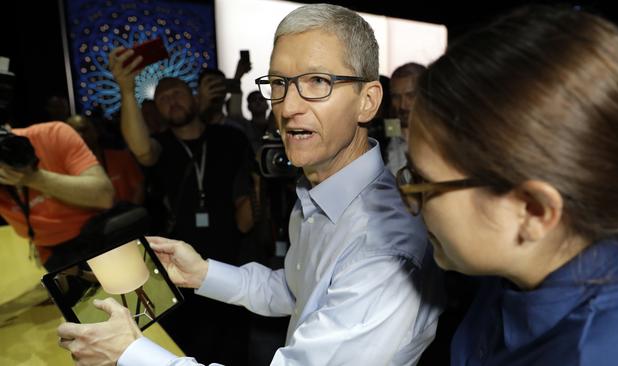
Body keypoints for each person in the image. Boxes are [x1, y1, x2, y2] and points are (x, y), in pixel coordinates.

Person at [57, 4, 443, 365]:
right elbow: (295, 291)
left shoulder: (385, 251)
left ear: (368, 101)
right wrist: (203, 273)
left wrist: (131, 354)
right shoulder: (318, 193)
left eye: (317, 81)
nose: (288, 107)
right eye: (279, 83)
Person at [397, 5, 618, 365]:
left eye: (423, 182)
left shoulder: (596, 353)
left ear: (533, 210)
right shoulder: (516, 271)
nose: (410, 198)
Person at [102, 50, 256, 364]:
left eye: (178, 93)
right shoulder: (161, 146)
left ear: (195, 98)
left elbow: (250, 191)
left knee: (234, 347)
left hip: (228, 258)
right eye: (163, 98)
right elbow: (141, 149)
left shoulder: (229, 138)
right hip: (174, 268)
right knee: (186, 347)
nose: (171, 100)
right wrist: (127, 91)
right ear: (157, 110)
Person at [0, 121, 114, 271]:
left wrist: (34, 178)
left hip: (100, 236)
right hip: (51, 254)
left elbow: (104, 196)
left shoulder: (52, 134)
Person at [66, 114, 144, 204]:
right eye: (73, 133)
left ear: (96, 131)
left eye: (84, 129)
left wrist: (131, 215)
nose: (80, 136)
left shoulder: (121, 157)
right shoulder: (68, 172)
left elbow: (139, 188)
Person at [385, 62, 425, 176]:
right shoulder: (389, 135)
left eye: (410, 96)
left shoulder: (442, 138)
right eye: (396, 97)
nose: (402, 105)